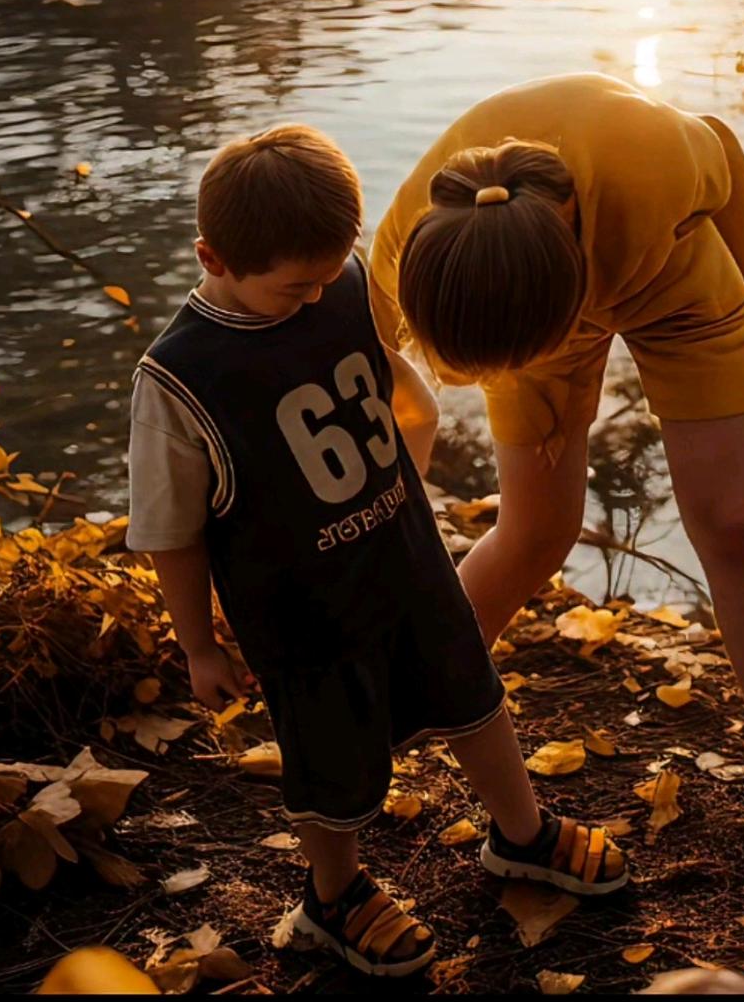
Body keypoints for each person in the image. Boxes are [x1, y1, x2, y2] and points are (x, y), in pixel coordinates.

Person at [125, 124, 628, 979]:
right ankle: (335, 896)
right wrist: (198, 643)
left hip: (402, 556)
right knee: (334, 759)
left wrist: (403, 489)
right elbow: (170, 530)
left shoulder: (341, 282)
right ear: (213, 258)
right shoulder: (181, 377)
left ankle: (521, 833)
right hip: (304, 611)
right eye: (295, 288)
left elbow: (401, 392)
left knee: (470, 687)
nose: (318, 298)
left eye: (330, 275)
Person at [369, 72, 744, 908]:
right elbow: (378, 403)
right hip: (522, 312)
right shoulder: (406, 250)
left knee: (738, 522)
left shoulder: (652, 164)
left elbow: (724, 137)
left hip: (674, 281)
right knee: (537, 531)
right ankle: (414, 693)